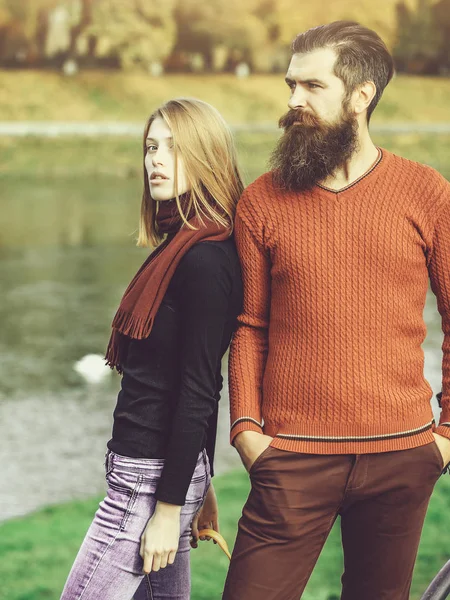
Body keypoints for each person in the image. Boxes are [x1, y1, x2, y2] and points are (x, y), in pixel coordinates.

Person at [223, 21, 450, 600]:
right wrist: (247, 428)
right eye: (290, 85)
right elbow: (250, 326)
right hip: (292, 459)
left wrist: (446, 431)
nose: (294, 100)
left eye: (312, 86)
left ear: (361, 95)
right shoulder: (262, 200)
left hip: (402, 454)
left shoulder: (427, 193)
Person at [60, 98, 243, 600]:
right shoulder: (181, 245)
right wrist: (195, 483)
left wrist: (168, 508)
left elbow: (201, 387)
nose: (156, 160)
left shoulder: (203, 259)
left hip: (146, 483)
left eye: (174, 148)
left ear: (207, 156)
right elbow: (196, 381)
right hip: (156, 475)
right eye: (150, 147)